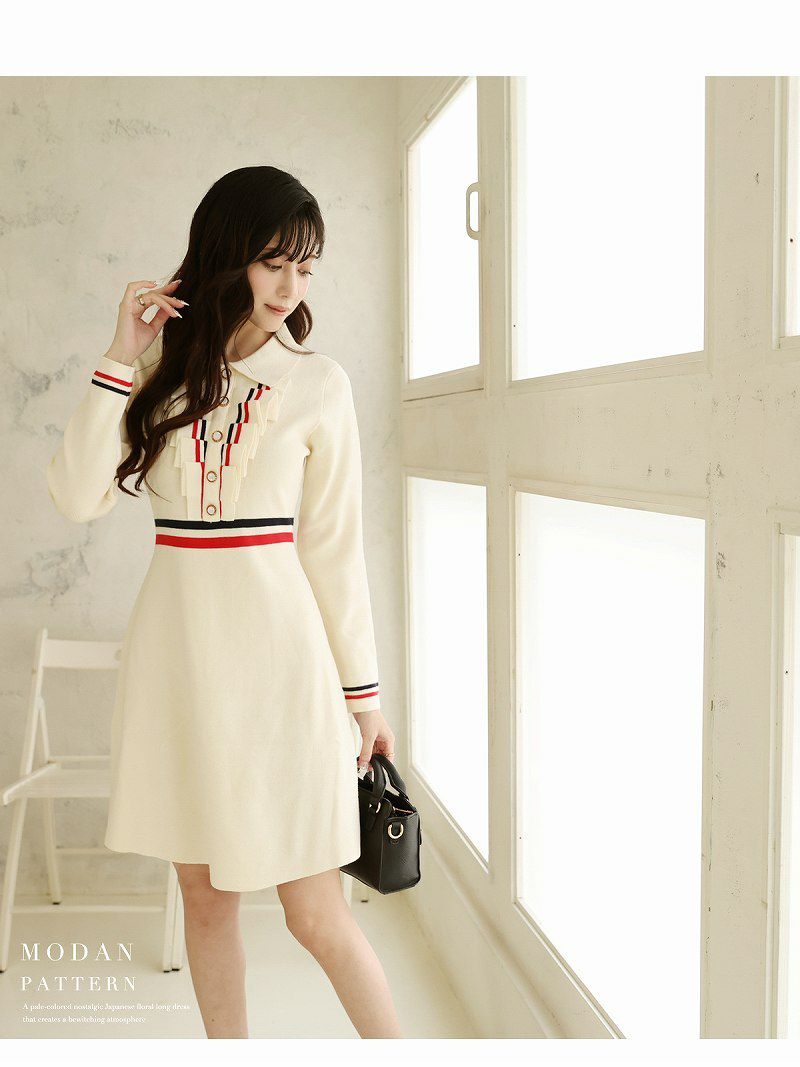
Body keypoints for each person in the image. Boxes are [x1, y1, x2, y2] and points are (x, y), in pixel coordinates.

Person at [46, 165, 401, 1039]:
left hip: (285, 672)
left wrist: (363, 696)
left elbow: (333, 549)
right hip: (180, 664)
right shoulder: (156, 371)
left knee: (314, 912)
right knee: (204, 900)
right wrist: (120, 354)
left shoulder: (319, 384)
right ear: (226, 253)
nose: (291, 287)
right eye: (274, 262)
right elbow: (79, 495)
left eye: (306, 268)